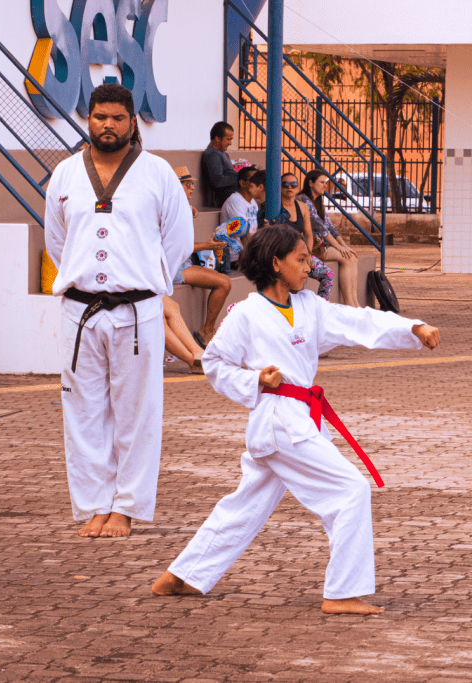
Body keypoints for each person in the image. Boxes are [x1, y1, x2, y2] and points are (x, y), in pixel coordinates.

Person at [151, 225, 440, 615]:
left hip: (296, 421)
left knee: (245, 506)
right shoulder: (246, 314)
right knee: (351, 489)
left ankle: (180, 576)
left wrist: (412, 328)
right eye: (301, 259)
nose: (309, 267)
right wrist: (254, 379)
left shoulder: (308, 306)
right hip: (280, 423)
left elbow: (356, 322)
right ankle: (341, 592)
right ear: (275, 263)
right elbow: (215, 364)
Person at [45, 83, 193, 538]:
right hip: (80, 308)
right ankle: (93, 505)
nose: (107, 125)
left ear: (132, 122)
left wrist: (144, 277)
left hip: (137, 309)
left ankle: (125, 507)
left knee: (136, 411)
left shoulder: (158, 173)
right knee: (84, 411)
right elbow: (58, 241)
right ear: (87, 120)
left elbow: (178, 240)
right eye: (99, 117)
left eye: (117, 118)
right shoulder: (67, 174)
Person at [171, 166, 232, 346]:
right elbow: (178, 247)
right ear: (176, 187)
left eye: (192, 184)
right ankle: (206, 331)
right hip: (173, 266)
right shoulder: (172, 211)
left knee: (221, 275)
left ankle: (207, 330)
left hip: (182, 261)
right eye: (187, 184)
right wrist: (207, 245)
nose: (192, 188)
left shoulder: (179, 208)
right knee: (224, 282)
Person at [264, 172, 334, 300]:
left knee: (328, 275)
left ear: (297, 188)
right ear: (279, 187)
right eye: (285, 184)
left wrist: (307, 253)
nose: (289, 187)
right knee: (295, 281)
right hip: (282, 255)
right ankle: (292, 310)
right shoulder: (274, 207)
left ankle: (320, 307)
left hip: (301, 253)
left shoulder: (302, 207)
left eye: (293, 184)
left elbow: (308, 233)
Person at [301, 170, 360, 307]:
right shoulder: (304, 199)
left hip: (324, 244)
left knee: (352, 256)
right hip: (313, 246)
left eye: (326, 183)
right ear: (310, 183)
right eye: (321, 182)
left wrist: (344, 245)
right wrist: (339, 247)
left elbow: (330, 227)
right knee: (346, 257)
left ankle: (354, 302)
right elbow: (319, 227)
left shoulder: (318, 201)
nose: (325, 186)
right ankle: (349, 303)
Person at [201, 122, 239, 207]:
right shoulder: (212, 155)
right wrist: (240, 176)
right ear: (217, 138)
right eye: (228, 139)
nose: (230, 143)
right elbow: (218, 181)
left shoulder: (223, 154)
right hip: (227, 200)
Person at [220, 165, 260, 235]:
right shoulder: (235, 200)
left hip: (251, 243)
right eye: (254, 180)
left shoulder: (253, 201)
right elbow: (243, 233)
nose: (258, 184)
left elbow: (254, 229)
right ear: (243, 183)